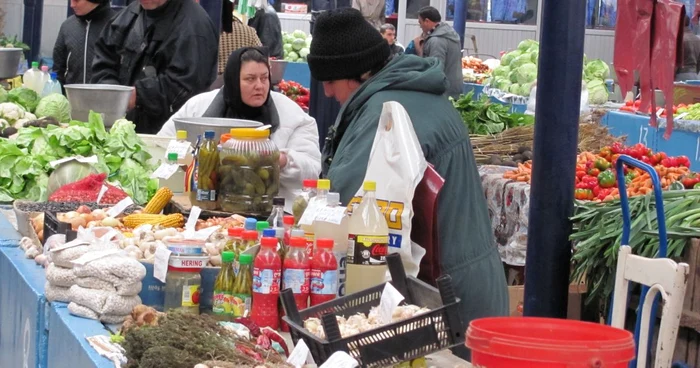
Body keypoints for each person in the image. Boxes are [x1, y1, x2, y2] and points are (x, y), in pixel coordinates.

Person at [306, 8, 508, 360]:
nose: (325, 92)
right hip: (463, 288)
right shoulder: (411, 94)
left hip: (446, 301)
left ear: (355, 73)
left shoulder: (385, 113)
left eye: (329, 80)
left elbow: (345, 206)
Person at [158, 47, 321, 211]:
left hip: (270, 212)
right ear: (233, 80)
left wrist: (281, 160)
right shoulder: (197, 108)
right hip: (201, 208)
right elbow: (161, 144)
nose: (259, 86)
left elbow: (312, 170)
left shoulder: (292, 115)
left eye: (264, 78)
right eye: (250, 79)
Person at [91, 0, 218, 134]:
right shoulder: (130, 14)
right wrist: (111, 90)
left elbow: (187, 86)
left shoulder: (194, 26)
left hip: (169, 137)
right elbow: (104, 59)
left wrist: (139, 95)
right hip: (123, 132)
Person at [52, 0, 116, 86]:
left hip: (107, 97)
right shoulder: (67, 26)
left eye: (76, 0)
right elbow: (58, 70)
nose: (72, 5)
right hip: (72, 97)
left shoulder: (117, 25)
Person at [418, 6, 463, 99]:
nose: (420, 25)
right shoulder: (450, 34)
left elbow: (436, 70)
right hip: (454, 87)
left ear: (427, 21)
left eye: (420, 22)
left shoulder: (436, 41)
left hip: (443, 92)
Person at [676, 16, 700, 81]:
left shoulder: (679, 40)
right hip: (694, 76)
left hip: (680, 76)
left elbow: (676, 62)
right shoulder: (697, 39)